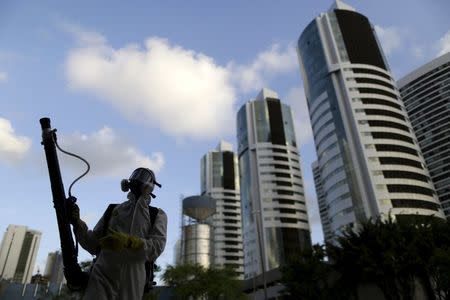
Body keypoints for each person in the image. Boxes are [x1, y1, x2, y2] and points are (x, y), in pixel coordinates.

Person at [71, 168, 167, 300]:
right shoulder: (113, 210)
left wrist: (131, 242)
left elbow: (156, 247)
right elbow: (93, 243)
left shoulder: (156, 215)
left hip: (132, 279)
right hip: (102, 274)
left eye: (143, 177)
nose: (138, 179)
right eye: (136, 175)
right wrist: (77, 223)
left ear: (150, 187)